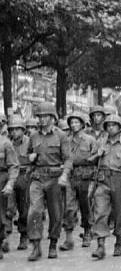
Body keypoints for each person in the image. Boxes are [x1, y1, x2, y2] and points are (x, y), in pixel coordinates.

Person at [27, 101, 72, 261]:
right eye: (39, 116)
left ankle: (53, 243)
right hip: (38, 178)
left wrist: (64, 175)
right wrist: (30, 158)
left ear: (53, 117)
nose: (42, 119)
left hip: (55, 178)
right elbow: (28, 155)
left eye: (46, 116)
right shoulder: (33, 136)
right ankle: (36, 245)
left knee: (56, 213)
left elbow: (68, 159)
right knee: (34, 211)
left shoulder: (61, 135)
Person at [90, 115, 121, 259]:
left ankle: (119, 242)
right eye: (108, 125)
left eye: (113, 125)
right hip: (103, 179)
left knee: (120, 212)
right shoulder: (100, 142)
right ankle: (100, 244)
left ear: (119, 128)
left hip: (120, 179)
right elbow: (89, 160)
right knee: (100, 211)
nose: (110, 128)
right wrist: (97, 154)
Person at [61, 112, 98, 251]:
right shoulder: (66, 140)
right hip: (71, 176)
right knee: (69, 207)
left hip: (86, 177)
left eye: (77, 122)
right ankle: (68, 238)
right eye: (72, 122)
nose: (74, 125)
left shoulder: (90, 140)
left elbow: (96, 159)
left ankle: (88, 232)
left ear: (82, 124)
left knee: (86, 206)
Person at [5, 116, 29, 251]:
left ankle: (24, 235)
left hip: (25, 177)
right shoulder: (7, 144)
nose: (14, 132)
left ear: (22, 130)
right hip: (11, 177)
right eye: (12, 130)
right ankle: (5, 238)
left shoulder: (30, 143)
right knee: (8, 209)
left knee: (25, 209)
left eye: (17, 129)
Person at [0, 117, 19, 260]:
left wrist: (10, 184)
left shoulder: (5, 143)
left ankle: (1, 240)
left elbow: (13, 165)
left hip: (1, 179)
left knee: (1, 215)